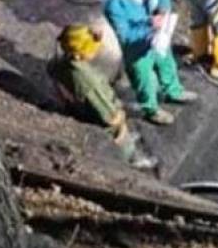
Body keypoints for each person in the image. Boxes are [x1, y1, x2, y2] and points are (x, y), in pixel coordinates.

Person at [49, 23, 157, 170]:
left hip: (76, 105)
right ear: (79, 53)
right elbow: (108, 117)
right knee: (119, 129)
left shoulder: (61, 62)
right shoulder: (87, 81)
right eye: (92, 47)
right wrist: (119, 115)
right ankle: (132, 157)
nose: (96, 49)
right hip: (96, 112)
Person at [104, 0, 196, 125]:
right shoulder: (115, 6)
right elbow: (125, 35)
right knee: (144, 80)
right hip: (136, 49)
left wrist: (163, 8)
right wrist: (149, 25)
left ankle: (173, 91)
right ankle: (151, 110)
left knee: (166, 63)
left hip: (157, 38)